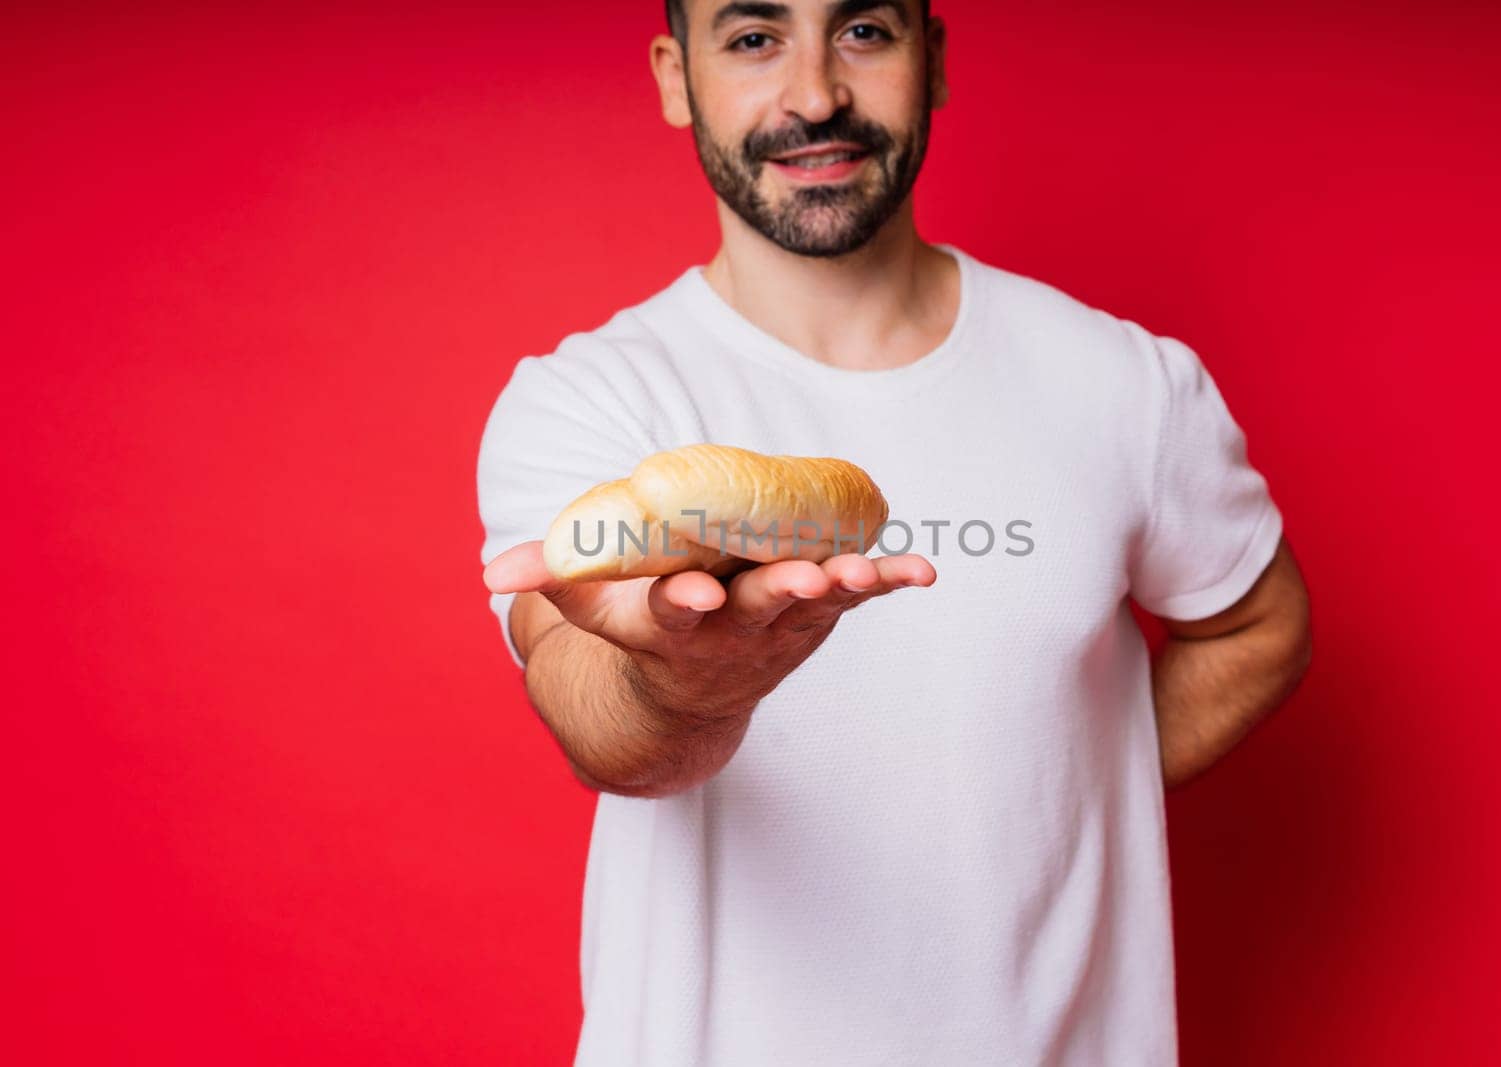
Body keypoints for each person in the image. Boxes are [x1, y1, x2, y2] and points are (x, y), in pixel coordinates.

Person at [476, 1, 1313, 1063]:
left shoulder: (1122, 384)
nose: (817, 94)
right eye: (752, 37)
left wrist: (1062, 792)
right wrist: (688, 685)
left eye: (864, 31)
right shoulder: (594, 401)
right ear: (674, 75)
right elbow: (600, 725)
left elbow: (1258, 624)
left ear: (935, 59)